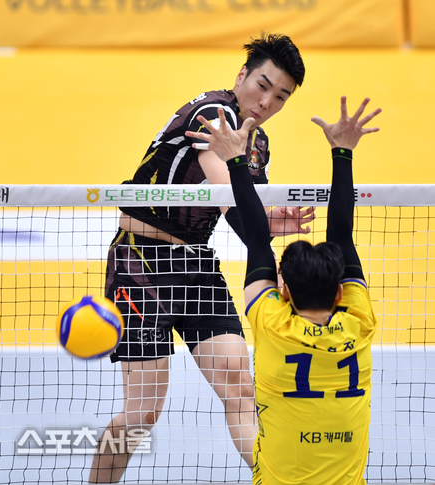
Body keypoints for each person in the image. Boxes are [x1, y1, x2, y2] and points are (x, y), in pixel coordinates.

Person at [89, 33, 316, 483]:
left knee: (240, 387)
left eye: (280, 96)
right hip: (141, 263)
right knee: (141, 414)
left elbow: (249, 211)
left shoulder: (256, 144)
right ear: (242, 75)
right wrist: (264, 240)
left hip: (195, 265)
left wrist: (273, 222)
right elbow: (233, 201)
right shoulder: (214, 115)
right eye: (263, 85)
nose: (266, 102)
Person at [187, 95, 380, 484]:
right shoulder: (358, 323)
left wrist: (235, 160)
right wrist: (343, 150)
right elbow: (342, 237)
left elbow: (258, 239)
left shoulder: (273, 324)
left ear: (284, 292)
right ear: (340, 294)